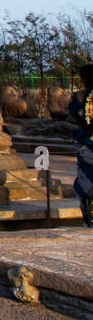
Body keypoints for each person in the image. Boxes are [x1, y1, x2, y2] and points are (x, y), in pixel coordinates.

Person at [68, 63, 93, 227]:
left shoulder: (78, 98)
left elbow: (76, 117)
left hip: (87, 146)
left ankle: (89, 219)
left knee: (85, 186)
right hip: (87, 145)